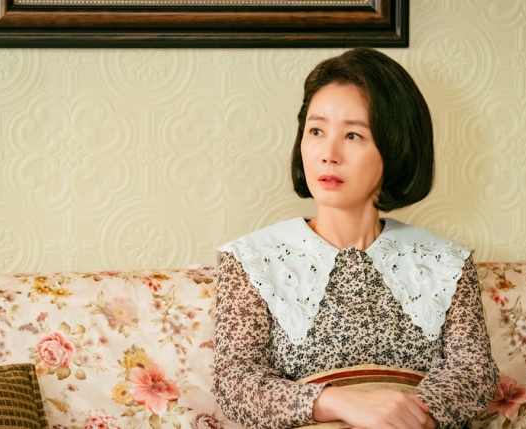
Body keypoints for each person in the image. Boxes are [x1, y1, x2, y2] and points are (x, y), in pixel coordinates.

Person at [213, 47, 499, 429]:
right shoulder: (252, 259)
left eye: (352, 135)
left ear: (395, 149)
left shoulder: (446, 262)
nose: (328, 154)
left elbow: (474, 370)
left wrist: (406, 417)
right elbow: (235, 383)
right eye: (316, 131)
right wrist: (338, 402)